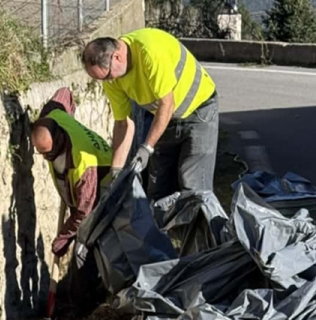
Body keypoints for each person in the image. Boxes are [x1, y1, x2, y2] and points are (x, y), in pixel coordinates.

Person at [81, 27, 220, 202]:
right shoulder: (112, 78)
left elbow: (167, 104)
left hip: (199, 110)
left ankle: (202, 228)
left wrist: (147, 148)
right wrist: (116, 171)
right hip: (165, 119)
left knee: (192, 186)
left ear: (117, 57)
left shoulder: (150, 52)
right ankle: (164, 229)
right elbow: (123, 123)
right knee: (158, 188)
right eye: (102, 79)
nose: (109, 81)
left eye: (108, 75)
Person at [31, 87, 113, 315]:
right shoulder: (53, 114)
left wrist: (64, 238)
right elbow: (65, 93)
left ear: (58, 139)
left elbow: (84, 213)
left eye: (48, 152)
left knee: (83, 251)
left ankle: (85, 310)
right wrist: (71, 117)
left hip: (106, 188)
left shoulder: (82, 165)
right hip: (83, 194)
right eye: (40, 153)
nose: (45, 157)